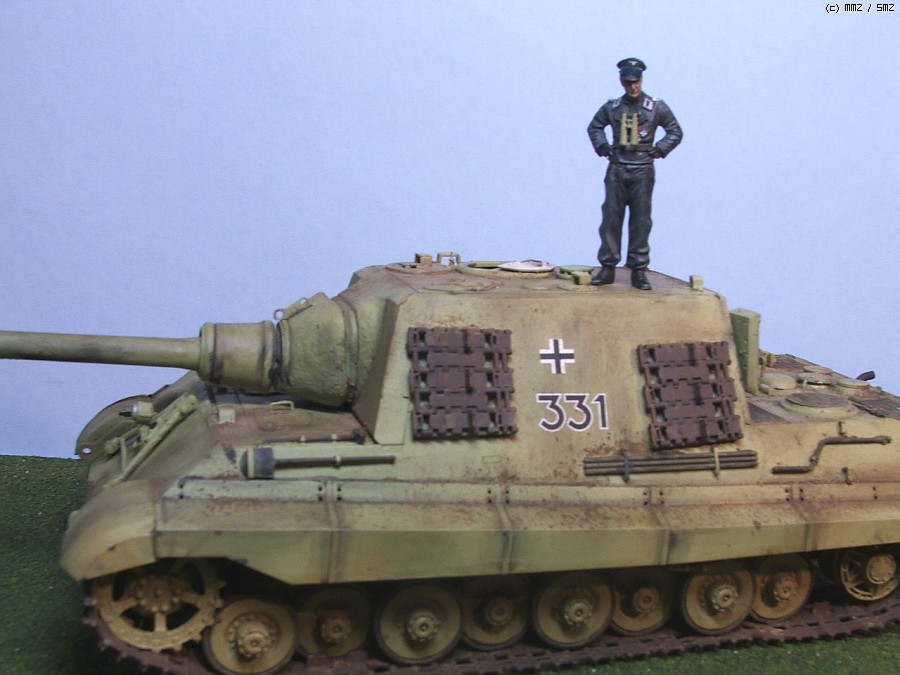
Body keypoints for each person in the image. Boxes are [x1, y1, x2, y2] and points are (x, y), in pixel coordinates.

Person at [587, 58, 682, 290]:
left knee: (641, 220)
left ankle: (638, 269)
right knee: (611, 218)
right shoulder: (613, 107)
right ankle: (608, 266)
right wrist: (603, 146)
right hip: (618, 167)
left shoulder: (655, 107)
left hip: (642, 168)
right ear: (622, 81)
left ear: (642, 80)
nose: (633, 87)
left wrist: (660, 149)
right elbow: (595, 126)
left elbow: (675, 131)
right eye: (628, 82)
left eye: (636, 82)